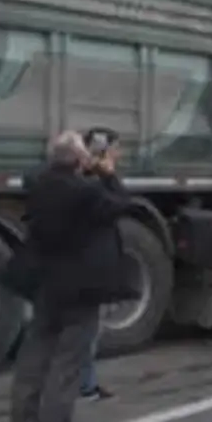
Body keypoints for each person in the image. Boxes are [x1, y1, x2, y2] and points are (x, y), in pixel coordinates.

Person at [9, 131, 136, 422]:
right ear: (80, 160)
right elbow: (121, 204)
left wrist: (81, 164)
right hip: (80, 286)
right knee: (69, 361)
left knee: (34, 355)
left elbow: (40, 173)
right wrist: (108, 174)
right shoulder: (87, 192)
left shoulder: (39, 185)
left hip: (45, 283)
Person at [77, 127, 124, 402]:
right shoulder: (93, 186)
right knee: (87, 330)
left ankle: (87, 382)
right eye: (116, 149)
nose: (120, 155)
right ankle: (84, 385)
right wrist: (109, 175)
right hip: (88, 269)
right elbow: (121, 203)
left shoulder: (75, 180)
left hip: (81, 267)